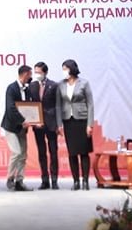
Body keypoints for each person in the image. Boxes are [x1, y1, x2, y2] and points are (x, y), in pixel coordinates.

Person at [55, 58, 95, 190]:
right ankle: (76, 181)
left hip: (82, 120)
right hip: (68, 121)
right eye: (63, 69)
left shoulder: (84, 83)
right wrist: (59, 124)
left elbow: (90, 104)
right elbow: (58, 105)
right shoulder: (60, 84)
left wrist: (90, 124)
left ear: (72, 69)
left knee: (84, 152)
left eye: (65, 69)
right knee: (72, 153)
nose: (64, 72)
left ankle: (85, 181)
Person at [0, 64, 35, 191]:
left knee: (23, 155)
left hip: (22, 128)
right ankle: (10, 179)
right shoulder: (12, 88)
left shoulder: (27, 89)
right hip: (11, 127)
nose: (31, 77)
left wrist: (34, 120)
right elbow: (11, 109)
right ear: (25, 74)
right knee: (16, 152)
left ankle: (20, 181)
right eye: (30, 75)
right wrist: (23, 120)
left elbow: (31, 107)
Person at [30, 61, 60, 190]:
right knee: (41, 152)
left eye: (39, 72)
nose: (37, 74)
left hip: (51, 123)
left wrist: (58, 124)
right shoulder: (32, 86)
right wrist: (34, 121)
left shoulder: (53, 85)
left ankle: (54, 180)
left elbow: (58, 105)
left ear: (45, 72)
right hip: (38, 124)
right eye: (35, 72)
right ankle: (44, 180)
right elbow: (30, 105)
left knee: (53, 152)